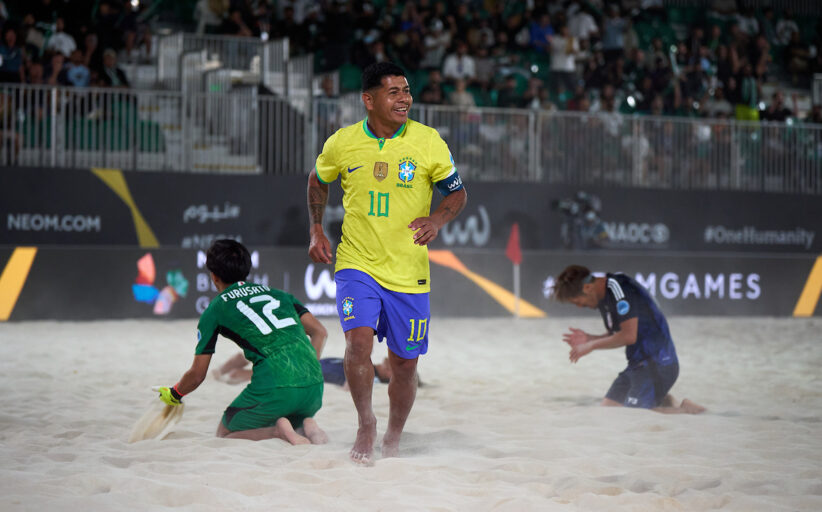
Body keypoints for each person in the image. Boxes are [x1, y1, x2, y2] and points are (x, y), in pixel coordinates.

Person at [306, 61, 467, 464]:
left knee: (404, 366)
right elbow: (317, 180)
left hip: (409, 272)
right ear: (369, 99)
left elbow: (457, 194)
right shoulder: (342, 142)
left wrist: (437, 219)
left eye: (407, 91)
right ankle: (366, 424)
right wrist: (316, 229)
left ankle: (394, 434)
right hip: (356, 262)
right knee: (357, 343)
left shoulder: (428, 141)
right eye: (394, 92)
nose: (405, 99)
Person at [156, 239, 328, 444]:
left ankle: (278, 433)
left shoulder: (215, 309)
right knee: (291, 418)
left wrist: (175, 393)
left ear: (213, 276)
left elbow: (197, 375)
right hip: (314, 389)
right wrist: (308, 368)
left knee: (224, 433)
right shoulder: (280, 295)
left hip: (276, 388)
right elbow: (320, 332)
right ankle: (307, 426)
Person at [553, 264, 706, 414]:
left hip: (658, 363)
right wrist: (589, 338)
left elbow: (628, 336)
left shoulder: (619, 289)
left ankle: (687, 410)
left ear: (587, 288)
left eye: (578, 301)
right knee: (608, 410)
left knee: (635, 414)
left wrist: (591, 346)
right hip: (637, 365)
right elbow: (617, 333)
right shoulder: (601, 298)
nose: (580, 306)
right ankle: (667, 401)